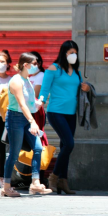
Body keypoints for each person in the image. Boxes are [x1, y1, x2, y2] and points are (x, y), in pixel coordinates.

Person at [39, 40, 90, 195]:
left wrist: (87, 88)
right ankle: (53, 177)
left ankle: (63, 180)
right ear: (63, 53)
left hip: (71, 114)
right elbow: (44, 89)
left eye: (75, 52)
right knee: (69, 144)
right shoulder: (54, 69)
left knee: (65, 148)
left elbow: (80, 91)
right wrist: (39, 102)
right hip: (56, 112)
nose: (73, 55)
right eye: (70, 52)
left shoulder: (77, 72)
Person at [1, 53, 52, 197]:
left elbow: (30, 105)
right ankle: (6, 187)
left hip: (26, 118)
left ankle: (35, 183)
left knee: (37, 148)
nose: (36, 66)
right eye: (34, 64)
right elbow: (22, 105)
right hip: (16, 118)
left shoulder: (27, 80)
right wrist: (32, 121)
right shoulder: (16, 81)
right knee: (14, 154)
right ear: (26, 65)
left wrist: (38, 103)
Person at [0, 50, 12, 188]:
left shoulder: (11, 80)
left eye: (3, 61)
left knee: (2, 147)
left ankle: (2, 176)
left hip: (5, 118)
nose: (1, 64)